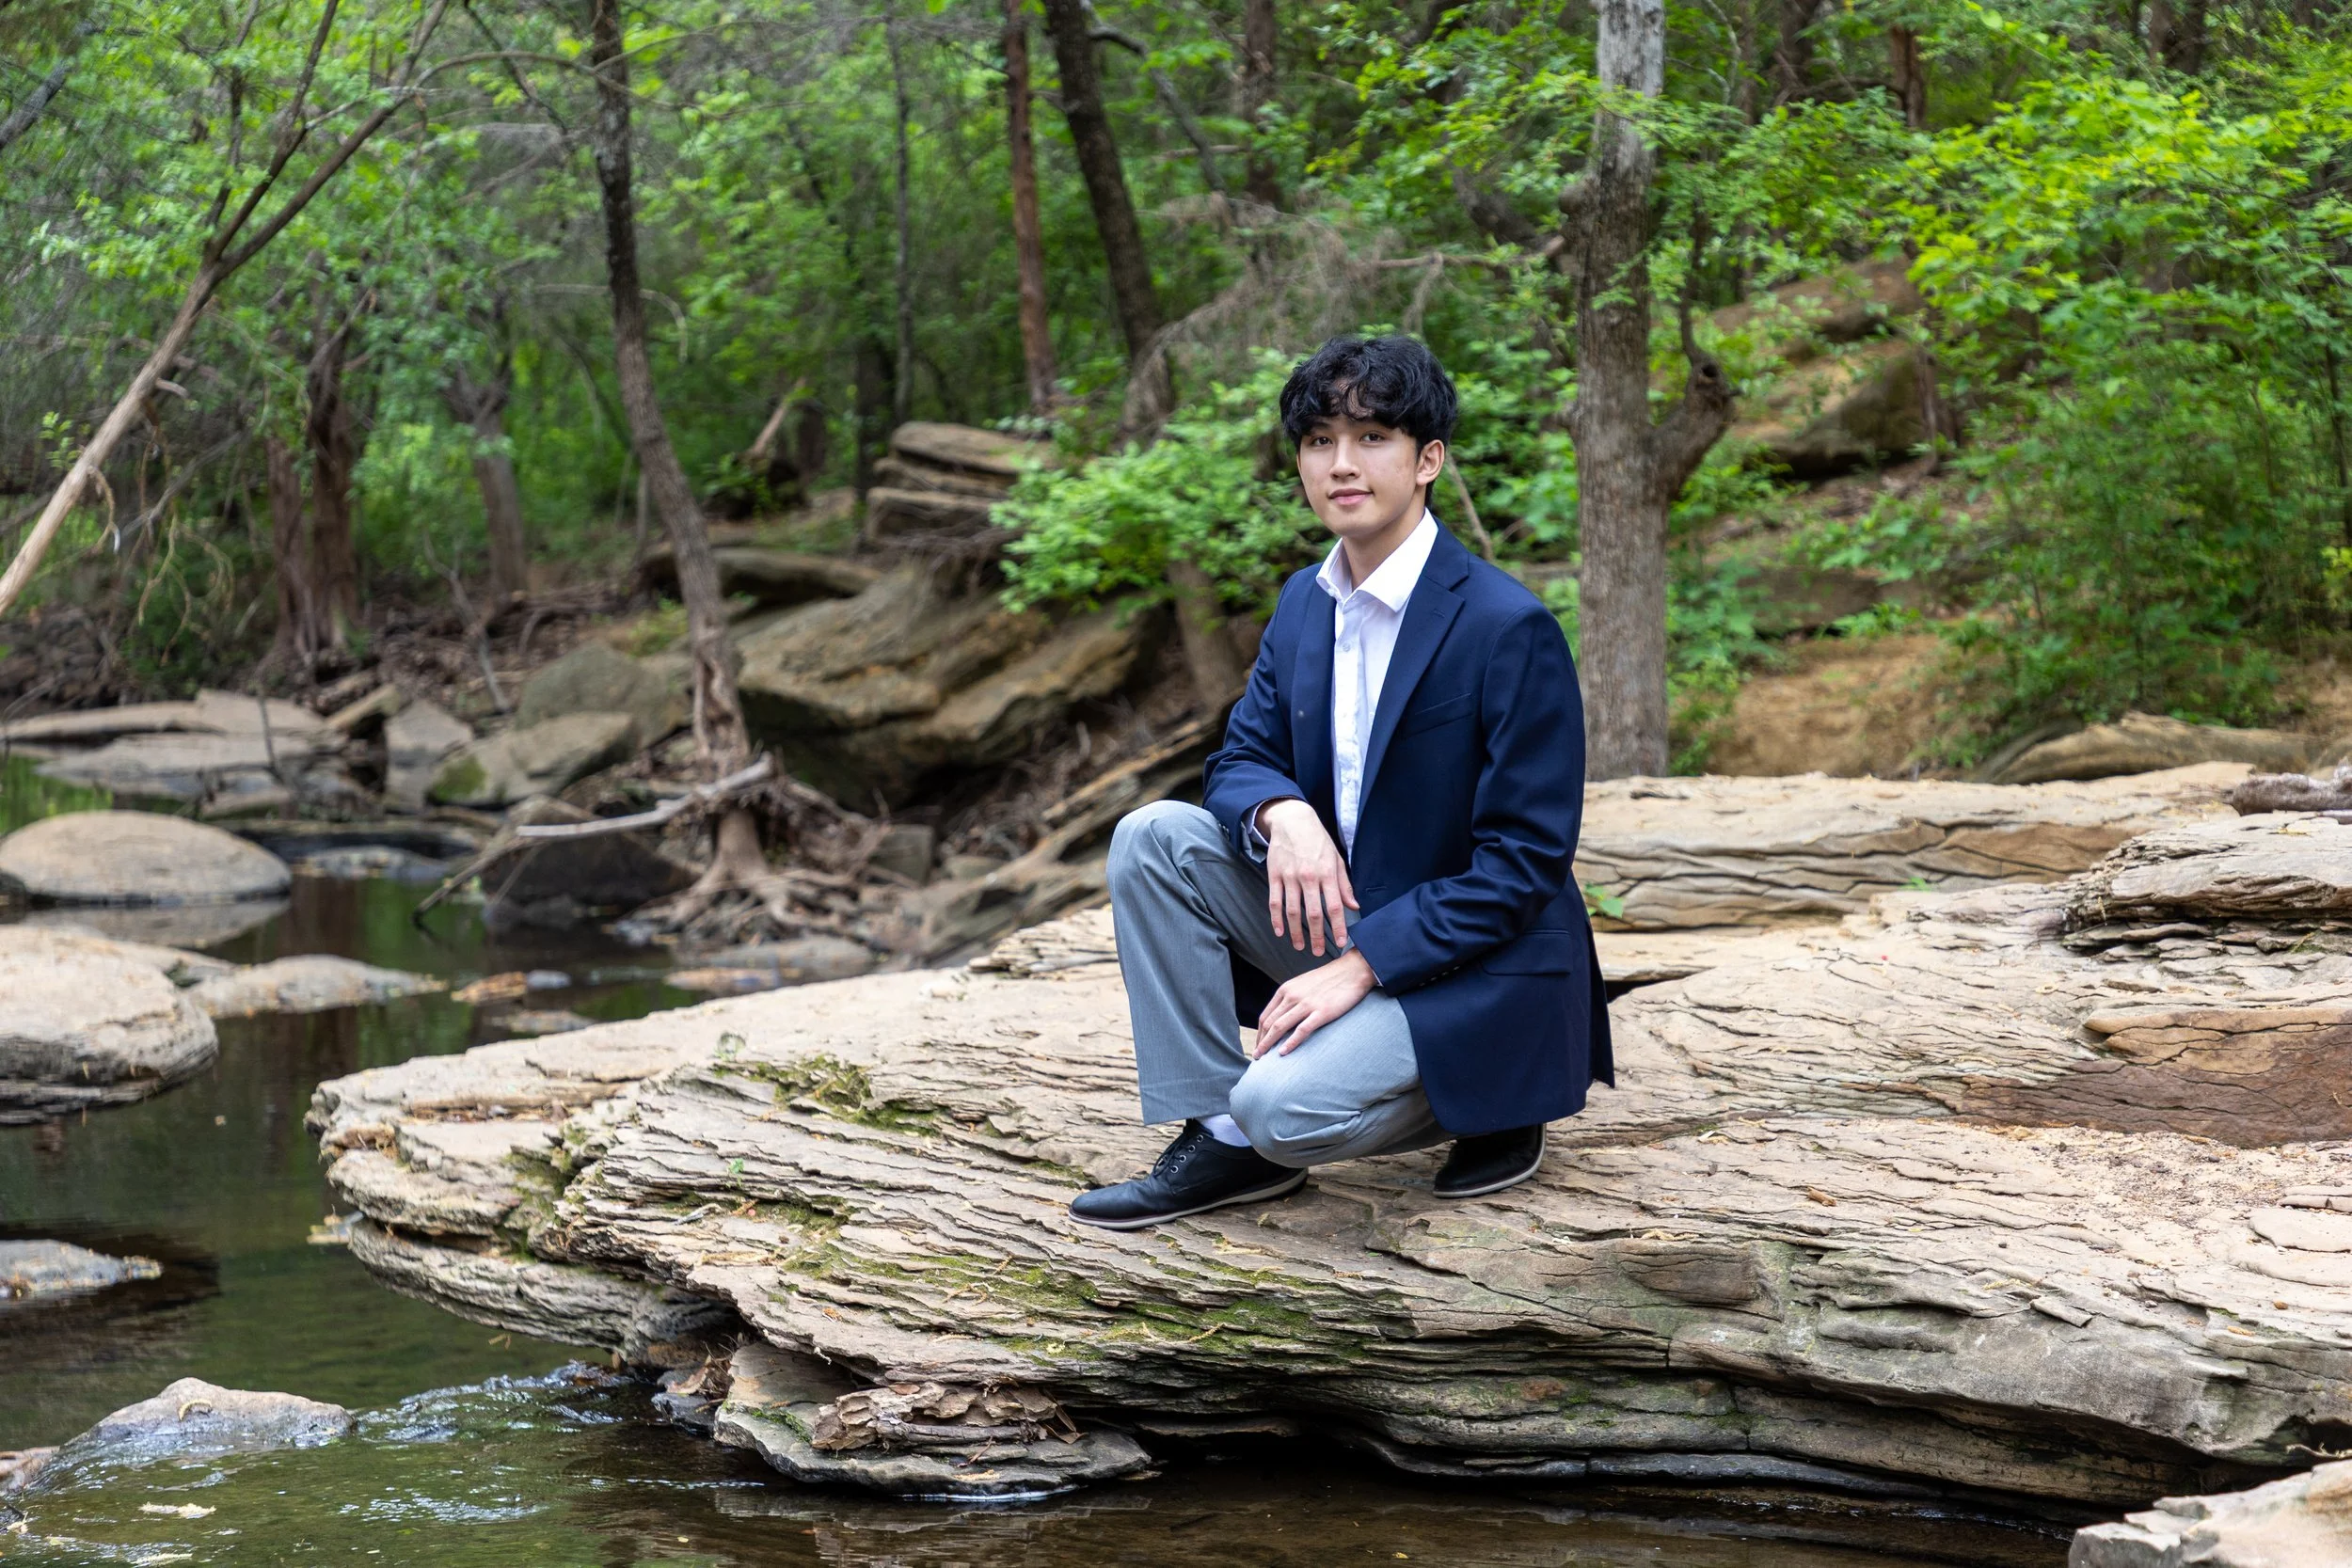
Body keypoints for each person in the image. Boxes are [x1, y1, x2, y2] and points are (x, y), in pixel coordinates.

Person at [1068, 334, 1612, 1231]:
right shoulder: (1303, 603)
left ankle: (1499, 1090)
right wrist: (1287, 816)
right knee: (1152, 836)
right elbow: (1238, 761)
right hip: (1349, 917)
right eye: (1319, 441)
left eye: (1372, 439)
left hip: (1477, 962)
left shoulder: (1506, 626)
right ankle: (1220, 1139)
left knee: (1280, 1106)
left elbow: (1525, 861)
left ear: (1428, 459)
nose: (1341, 464)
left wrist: (1361, 966)